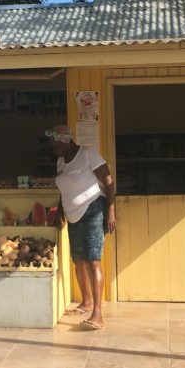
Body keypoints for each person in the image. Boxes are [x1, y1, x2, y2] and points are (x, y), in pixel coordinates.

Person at [46, 124, 116, 330]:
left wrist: (111, 210)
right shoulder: (61, 161)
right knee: (78, 260)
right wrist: (60, 212)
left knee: (93, 261)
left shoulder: (87, 154)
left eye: (56, 144)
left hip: (93, 210)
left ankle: (98, 314)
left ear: (66, 141)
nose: (53, 149)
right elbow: (65, 189)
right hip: (72, 214)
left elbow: (109, 182)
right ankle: (86, 302)